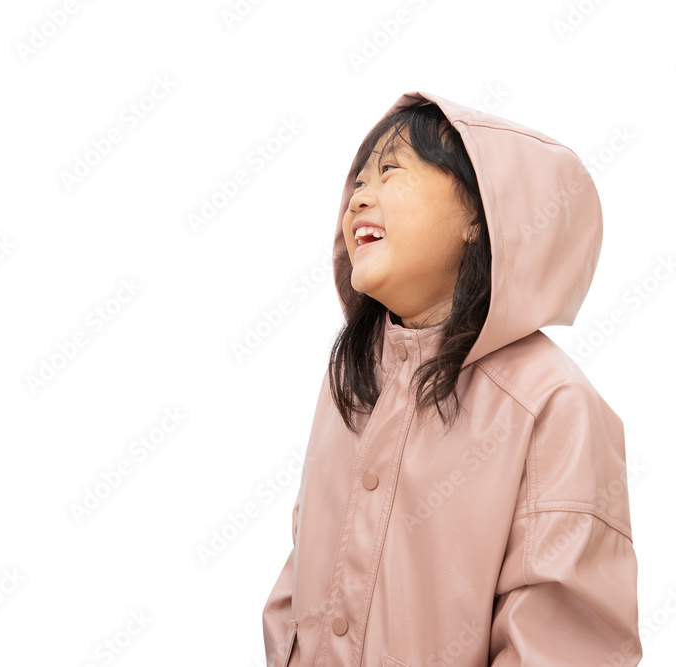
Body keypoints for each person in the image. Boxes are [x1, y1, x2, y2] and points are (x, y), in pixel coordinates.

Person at [261, 91, 642, 666]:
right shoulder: (353, 380)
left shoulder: (547, 403)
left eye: (391, 172)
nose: (360, 195)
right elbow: (304, 569)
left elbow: (564, 639)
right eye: (358, 181)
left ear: (479, 213)